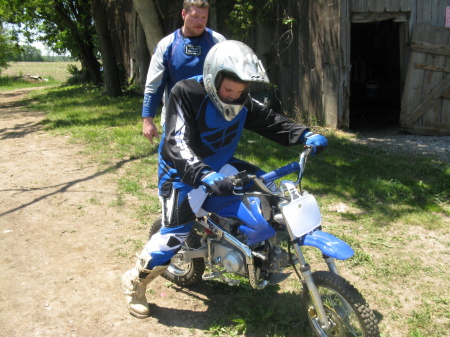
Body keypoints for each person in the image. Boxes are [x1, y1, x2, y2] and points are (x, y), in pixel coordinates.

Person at [121, 40, 328, 318]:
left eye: (240, 91)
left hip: (221, 166)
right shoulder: (186, 93)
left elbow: (270, 120)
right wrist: (203, 174)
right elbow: (176, 142)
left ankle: (256, 252)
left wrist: (304, 134)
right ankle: (135, 281)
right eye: (228, 89)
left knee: (269, 195)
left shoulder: (243, 101)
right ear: (211, 77)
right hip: (182, 175)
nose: (233, 97)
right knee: (173, 237)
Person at [142, 0, 226, 144]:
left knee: (210, 165)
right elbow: (154, 85)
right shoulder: (167, 45)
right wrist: (147, 119)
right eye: (195, 16)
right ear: (183, 14)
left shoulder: (218, 42)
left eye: (204, 18)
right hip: (175, 119)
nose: (200, 22)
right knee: (174, 164)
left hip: (211, 120)